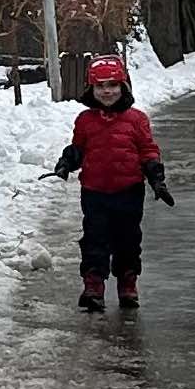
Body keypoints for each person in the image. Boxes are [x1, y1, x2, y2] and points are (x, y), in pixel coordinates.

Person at [53, 51, 172, 313]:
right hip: (94, 191)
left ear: (124, 86)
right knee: (95, 239)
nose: (107, 92)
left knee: (127, 239)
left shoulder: (136, 119)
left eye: (113, 85)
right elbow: (79, 148)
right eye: (100, 86)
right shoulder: (85, 121)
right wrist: (66, 162)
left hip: (128, 190)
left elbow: (148, 150)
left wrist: (156, 178)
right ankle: (93, 285)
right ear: (91, 88)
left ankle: (127, 284)